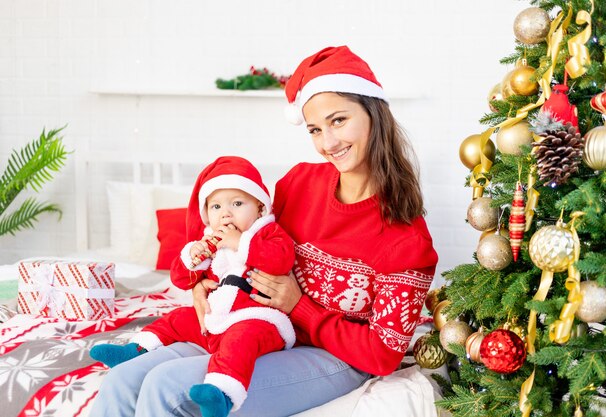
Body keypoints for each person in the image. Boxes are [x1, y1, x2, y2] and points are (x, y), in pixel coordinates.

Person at [90, 45, 438, 417]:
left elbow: (382, 354)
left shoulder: (407, 238)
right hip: (256, 328)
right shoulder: (298, 183)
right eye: (315, 130)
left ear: (373, 114)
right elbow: (244, 240)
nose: (328, 143)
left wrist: (299, 307)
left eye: (339, 121)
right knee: (121, 380)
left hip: (336, 356)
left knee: (170, 388)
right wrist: (200, 283)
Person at [90, 156, 296, 417]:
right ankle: (136, 350)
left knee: (240, 341)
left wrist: (239, 242)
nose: (226, 213)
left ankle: (220, 394)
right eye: (216, 206)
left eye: (237, 203)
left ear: (260, 208)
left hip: (258, 319)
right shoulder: (209, 242)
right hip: (215, 321)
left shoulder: (268, 234)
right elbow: (179, 278)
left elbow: (281, 259)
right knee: (177, 318)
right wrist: (193, 258)